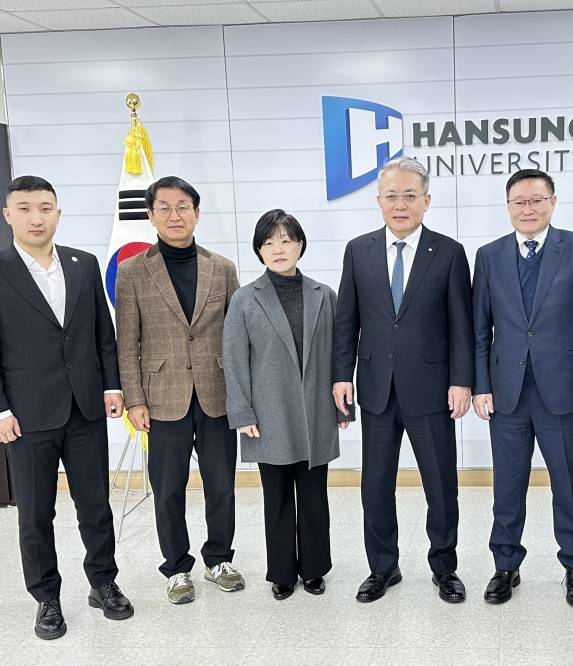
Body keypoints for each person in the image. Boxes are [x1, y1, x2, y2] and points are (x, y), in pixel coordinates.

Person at [0, 175, 133, 640]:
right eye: (24, 208)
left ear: (57, 213)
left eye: (44, 207)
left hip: (85, 407)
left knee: (95, 504)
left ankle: (103, 582)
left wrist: (112, 386)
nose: (35, 217)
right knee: (36, 513)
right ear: (8, 215)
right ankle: (46, 598)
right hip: (25, 415)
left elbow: (102, 333)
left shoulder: (83, 264)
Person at [332, 156, 475, 604]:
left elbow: (462, 325)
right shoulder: (358, 250)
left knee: (441, 487)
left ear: (426, 201)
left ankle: (444, 568)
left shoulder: (449, 252)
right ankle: (382, 568)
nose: (400, 204)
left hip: (432, 388)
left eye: (409, 195)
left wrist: (462, 380)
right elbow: (346, 320)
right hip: (375, 388)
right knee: (375, 488)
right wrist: (341, 376)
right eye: (391, 195)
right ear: (379, 201)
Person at [471, 169, 573, 608]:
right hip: (506, 393)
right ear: (508, 206)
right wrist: (480, 386)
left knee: (568, 484)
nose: (527, 209)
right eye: (519, 201)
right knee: (507, 487)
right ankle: (505, 565)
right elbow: (480, 330)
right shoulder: (489, 256)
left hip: (564, 393)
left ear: (552, 202)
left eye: (536, 200)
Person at [115, 176, 243, 605]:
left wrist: (243, 394)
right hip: (160, 396)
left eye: (183, 206)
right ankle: (176, 567)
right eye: (165, 207)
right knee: (168, 488)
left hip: (217, 392)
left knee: (221, 484)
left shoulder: (222, 268)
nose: (175, 215)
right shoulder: (133, 270)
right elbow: (126, 341)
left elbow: (237, 336)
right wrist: (134, 399)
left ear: (197, 213)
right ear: (150, 216)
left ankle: (219, 559)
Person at [223, 209, 351, 601]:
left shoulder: (324, 295)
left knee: (314, 496)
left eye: (286, 240)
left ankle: (314, 569)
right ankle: (281, 572)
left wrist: (343, 407)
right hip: (269, 412)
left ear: (300, 245)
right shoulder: (245, 299)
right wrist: (241, 411)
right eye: (269, 242)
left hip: (316, 410)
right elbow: (233, 358)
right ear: (259, 250)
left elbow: (340, 355)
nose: (278, 249)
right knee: (276, 497)